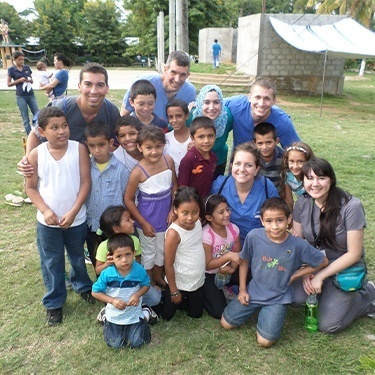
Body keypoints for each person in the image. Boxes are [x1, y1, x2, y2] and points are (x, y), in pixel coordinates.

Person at [221, 198, 328, 348]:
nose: (275, 226)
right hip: (253, 291)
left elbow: (322, 262)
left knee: (265, 342)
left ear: (289, 219)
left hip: (279, 297)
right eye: (269, 221)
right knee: (226, 324)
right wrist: (243, 289)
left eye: (280, 220)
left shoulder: (298, 244)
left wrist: (296, 274)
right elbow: (244, 261)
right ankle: (251, 304)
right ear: (262, 221)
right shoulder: (254, 236)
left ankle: (268, 313)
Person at [25, 106, 94, 326]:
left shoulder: (79, 149)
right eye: (54, 128)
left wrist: (74, 211)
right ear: (42, 132)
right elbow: (31, 188)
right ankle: (54, 301)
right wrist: (46, 211)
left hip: (76, 218)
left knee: (77, 256)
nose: (62, 131)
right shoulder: (37, 154)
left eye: (64, 125)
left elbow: (85, 183)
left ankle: (83, 286)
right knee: (52, 260)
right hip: (48, 222)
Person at [292, 158, 375, 332]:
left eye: (321, 178)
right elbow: (299, 243)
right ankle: (329, 294)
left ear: (331, 179)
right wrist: (306, 270)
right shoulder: (302, 203)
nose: (315, 184)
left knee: (328, 325)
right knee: (296, 298)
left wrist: (321, 276)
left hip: (345, 267)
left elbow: (354, 254)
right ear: (303, 181)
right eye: (309, 178)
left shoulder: (352, 207)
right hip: (315, 263)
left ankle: (367, 296)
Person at [18, 62, 120, 176]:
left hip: (80, 169)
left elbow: (116, 142)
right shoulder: (61, 107)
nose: (94, 91)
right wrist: (27, 160)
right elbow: (36, 133)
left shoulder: (111, 111)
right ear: (79, 86)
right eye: (88, 84)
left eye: (100, 85)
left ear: (107, 88)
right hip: (52, 166)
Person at [124, 126, 177, 288]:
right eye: (148, 148)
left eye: (158, 147)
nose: (154, 152)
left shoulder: (168, 161)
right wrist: (143, 223)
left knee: (162, 249)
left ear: (163, 145)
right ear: (140, 147)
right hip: (147, 220)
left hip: (166, 217)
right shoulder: (138, 172)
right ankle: (148, 281)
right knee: (149, 251)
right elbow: (129, 199)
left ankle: (158, 275)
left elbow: (175, 185)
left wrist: (172, 209)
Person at [95, 206, 161, 325]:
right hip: (114, 290)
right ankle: (107, 311)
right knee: (119, 302)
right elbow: (98, 271)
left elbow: (139, 262)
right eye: (128, 220)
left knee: (156, 298)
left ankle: (142, 306)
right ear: (117, 228)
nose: (133, 221)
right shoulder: (104, 246)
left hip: (133, 283)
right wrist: (107, 264)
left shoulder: (134, 241)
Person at [211, 142, 279, 245]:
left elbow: (277, 218)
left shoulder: (266, 187)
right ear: (231, 166)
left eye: (249, 165)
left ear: (257, 169)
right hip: (225, 247)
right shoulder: (219, 186)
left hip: (258, 246)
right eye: (237, 164)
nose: (242, 169)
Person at [92, 234, 151, 349]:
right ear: (111, 257)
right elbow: (95, 292)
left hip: (133, 314)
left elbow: (146, 285)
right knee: (116, 344)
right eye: (119, 256)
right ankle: (105, 315)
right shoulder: (107, 273)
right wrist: (112, 300)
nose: (124, 260)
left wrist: (137, 294)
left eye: (128, 254)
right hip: (114, 315)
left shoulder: (138, 270)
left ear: (134, 253)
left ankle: (144, 312)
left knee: (137, 342)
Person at [85, 121, 129, 267]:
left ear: (110, 143)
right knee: (96, 258)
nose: (97, 150)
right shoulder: (85, 167)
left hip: (114, 228)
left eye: (101, 145)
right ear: (87, 145)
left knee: (117, 261)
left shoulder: (121, 170)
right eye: (92, 146)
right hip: (91, 224)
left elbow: (127, 198)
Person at [162, 187, 206, 320]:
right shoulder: (173, 233)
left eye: (195, 212)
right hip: (178, 281)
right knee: (166, 316)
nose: (190, 218)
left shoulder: (198, 222)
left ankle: (186, 299)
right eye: (185, 213)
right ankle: (166, 296)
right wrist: (174, 291)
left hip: (196, 279)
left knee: (196, 314)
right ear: (175, 210)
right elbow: (168, 265)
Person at [224, 78, 300, 148]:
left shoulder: (282, 122)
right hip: (240, 161)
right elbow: (215, 103)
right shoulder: (236, 105)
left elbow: (298, 151)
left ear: (274, 101)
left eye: (267, 98)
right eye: (257, 97)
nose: (261, 103)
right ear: (249, 98)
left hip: (266, 161)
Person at [120, 51, 196, 121]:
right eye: (173, 72)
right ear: (165, 69)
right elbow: (123, 115)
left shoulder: (189, 91)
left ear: (188, 75)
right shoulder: (143, 82)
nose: (177, 79)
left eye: (183, 75)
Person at [202, 194, 241, 319]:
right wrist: (228, 256)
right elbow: (207, 264)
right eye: (221, 212)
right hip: (209, 274)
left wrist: (233, 268)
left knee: (251, 276)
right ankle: (203, 294)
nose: (227, 214)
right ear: (209, 217)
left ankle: (227, 287)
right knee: (219, 312)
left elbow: (238, 253)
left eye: (227, 209)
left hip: (228, 269)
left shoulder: (233, 229)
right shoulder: (206, 235)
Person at [189, 85, 233, 178]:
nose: (211, 107)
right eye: (206, 102)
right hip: (196, 162)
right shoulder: (191, 116)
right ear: (200, 103)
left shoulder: (226, 118)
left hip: (219, 161)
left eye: (216, 102)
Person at [178, 116, 217, 199]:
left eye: (210, 136)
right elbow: (182, 186)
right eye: (201, 137)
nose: (206, 141)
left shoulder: (213, 157)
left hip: (206, 200)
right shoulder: (189, 159)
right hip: (192, 203)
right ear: (192, 138)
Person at [7, 51, 39, 135]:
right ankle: (29, 135)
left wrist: (28, 80)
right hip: (20, 95)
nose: (21, 61)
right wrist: (19, 80)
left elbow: (32, 81)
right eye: (19, 60)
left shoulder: (27, 68)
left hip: (30, 94)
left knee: (37, 113)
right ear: (14, 60)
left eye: (22, 59)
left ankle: (37, 132)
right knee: (25, 117)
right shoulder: (11, 70)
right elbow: (8, 84)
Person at [279, 141, 315, 212]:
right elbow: (289, 200)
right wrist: (291, 216)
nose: (295, 166)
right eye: (291, 161)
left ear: (308, 161)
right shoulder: (287, 175)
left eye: (300, 161)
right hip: (305, 207)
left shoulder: (314, 175)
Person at [253, 122, 284, 192]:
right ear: (254, 143)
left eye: (269, 142)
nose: (264, 147)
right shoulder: (252, 158)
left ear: (276, 141)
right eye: (260, 143)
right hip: (257, 194)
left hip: (275, 195)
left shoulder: (283, 158)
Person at [164, 99, 190, 175]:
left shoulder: (195, 137)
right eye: (171, 117)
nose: (174, 120)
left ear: (187, 115)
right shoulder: (165, 139)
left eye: (178, 116)